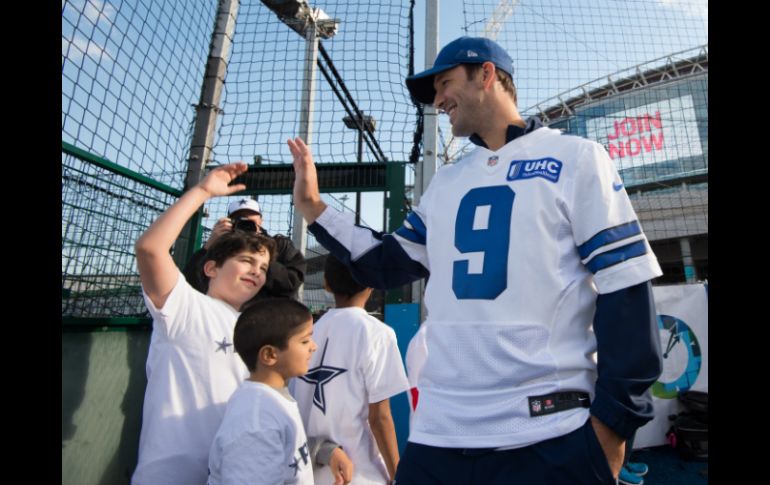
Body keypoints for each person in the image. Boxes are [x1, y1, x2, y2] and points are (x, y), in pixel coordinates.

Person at [288, 36, 663, 484]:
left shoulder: (576, 157)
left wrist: (615, 423)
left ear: (486, 74)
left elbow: (625, 286)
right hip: (439, 435)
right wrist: (313, 207)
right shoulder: (448, 181)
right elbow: (386, 264)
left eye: (445, 83)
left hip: (550, 429)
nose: (438, 100)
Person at [132, 162, 276, 485]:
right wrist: (203, 192)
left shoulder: (255, 333)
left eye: (263, 267)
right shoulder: (185, 307)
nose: (256, 271)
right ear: (211, 268)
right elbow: (150, 249)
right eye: (246, 261)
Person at [290, 255, 410, 485]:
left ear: (326, 284)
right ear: (371, 284)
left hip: (307, 471)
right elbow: (380, 417)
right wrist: (397, 475)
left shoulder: (308, 331)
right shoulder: (378, 333)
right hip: (358, 473)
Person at [208, 298, 354, 485]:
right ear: (269, 355)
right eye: (305, 341)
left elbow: (283, 448)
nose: (313, 346)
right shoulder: (256, 423)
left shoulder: (268, 400)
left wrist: (325, 452)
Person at [183, 197, 306, 302]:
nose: (246, 223)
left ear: (260, 220)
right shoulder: (221, 249)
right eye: (240, 219)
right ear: (231, 223)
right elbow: (191, 283)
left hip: (270, 314)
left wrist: (261, 259)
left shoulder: (280, 245)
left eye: (250, 219)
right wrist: (209, 245)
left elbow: (292, 282)